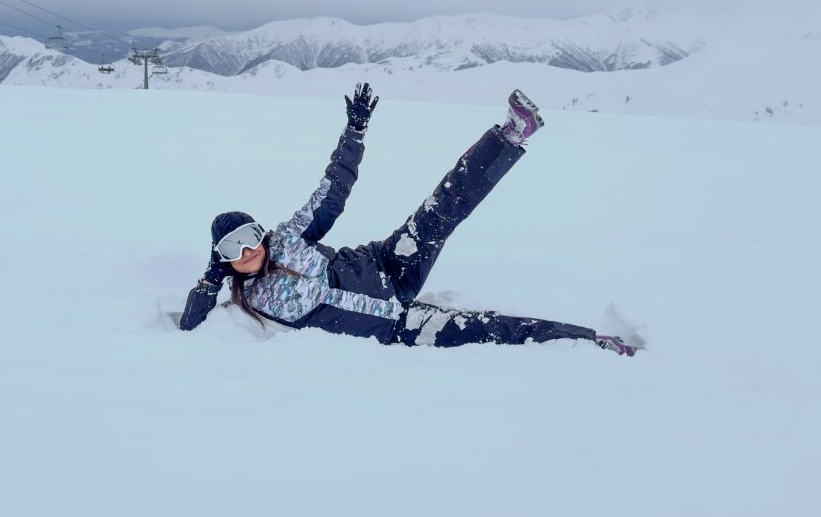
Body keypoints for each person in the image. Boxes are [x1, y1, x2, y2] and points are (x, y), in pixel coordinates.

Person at [176, 83, 638, 357]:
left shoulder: (288, 237)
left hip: (388, 264)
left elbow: (332, 191)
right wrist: (211, 275)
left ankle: (511, 135)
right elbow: (189, 326)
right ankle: (588, 342)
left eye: (249, 238)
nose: (247, 251)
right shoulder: (245, 296)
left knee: (444, 205)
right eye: (231, 250)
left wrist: (354, 133)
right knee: (489, 329)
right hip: (395, 326)